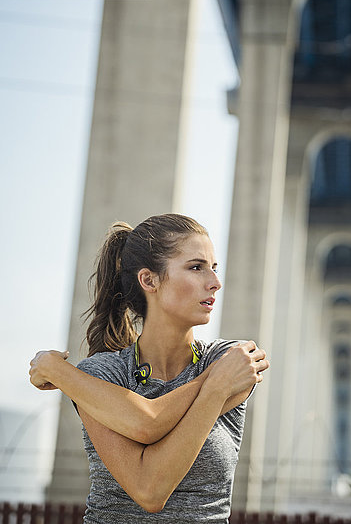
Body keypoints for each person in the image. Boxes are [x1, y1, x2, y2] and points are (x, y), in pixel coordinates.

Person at [29, 214, 269, 523]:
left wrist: (59, 372)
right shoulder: (102, 374)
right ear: (149, 280)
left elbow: (148, 420)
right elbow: (149, 488)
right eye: (196, 267)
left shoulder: (229, 360)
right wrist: (216, 386)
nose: (215, 282)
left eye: (214, 268)